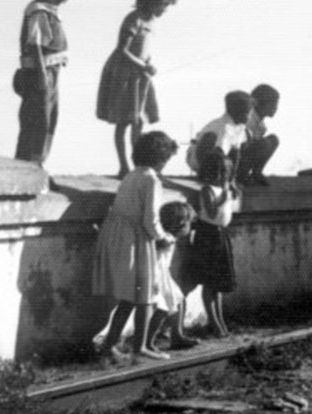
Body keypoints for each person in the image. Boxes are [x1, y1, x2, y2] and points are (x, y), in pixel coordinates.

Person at [91, 131, 179, 361]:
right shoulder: (151, 179)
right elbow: (150, 219)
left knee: (129, 297)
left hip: (117, 235)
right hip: (137, 239)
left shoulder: (131, 175)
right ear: (161, 158)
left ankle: (109, 345)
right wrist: (163, 237)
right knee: (145, 295)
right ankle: (141, 346)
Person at [96, 0, 179, 178]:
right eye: (163, 5)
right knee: (123, 122)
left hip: (140, 77)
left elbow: (143, 49)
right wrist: (143, 65)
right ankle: (123, 166)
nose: (165, 9)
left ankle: (140, 166)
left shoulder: (151, 22)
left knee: (139, 122)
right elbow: (122, 50)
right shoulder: (134, 19)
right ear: (152, 1)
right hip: (124, 76)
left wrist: (147, 63)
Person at [13, 0, 73, 166]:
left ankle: (37, 163)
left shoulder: (47, 11)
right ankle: (30, 164)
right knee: (39, 120)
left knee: (48, 118)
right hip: (41, 72)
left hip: (50, 72)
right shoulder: (39, 12)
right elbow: (35, 45)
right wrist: (41, 75)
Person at [181, 149, 240, 338]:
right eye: (220, 172)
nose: (222, 176)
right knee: (209, 283)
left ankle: (221, 322)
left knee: (218, 285)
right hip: (208, 236)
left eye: (225, 172)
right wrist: (224, 195)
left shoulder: (224, 189)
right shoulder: (207, 190)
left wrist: (230, 189)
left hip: (220, 235)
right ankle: (214, 324)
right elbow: (212, 212)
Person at [147, 201, 199, 352]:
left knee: (179, 300)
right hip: (157, 276)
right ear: (181, 224)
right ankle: (148, 342)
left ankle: (177, 336)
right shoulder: (167, 239)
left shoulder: (167, 237)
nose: (190, 227)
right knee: (163, 309)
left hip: (163, 275)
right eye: (188, 223)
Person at [186, 90, 252, 188]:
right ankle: (207, 175)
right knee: (211, 139)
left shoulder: (240, 127)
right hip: (197, 157)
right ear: (238, 113)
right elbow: (218, 153)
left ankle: (225, 178)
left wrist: (232, 180)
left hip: (219, 157)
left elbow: (236, 154)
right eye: (248, 113)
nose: (250, 116)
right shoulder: (224, 127)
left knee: (240, 148)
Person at [238, 84, 280, 186]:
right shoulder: (246, 118)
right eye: (273, 104)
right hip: (235, 159)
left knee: (274, 140)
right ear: (261, 103)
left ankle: (256, 173)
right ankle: (241, 176)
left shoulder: (262, 126)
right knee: (264, 144)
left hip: (244, 156)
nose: (276, 108)